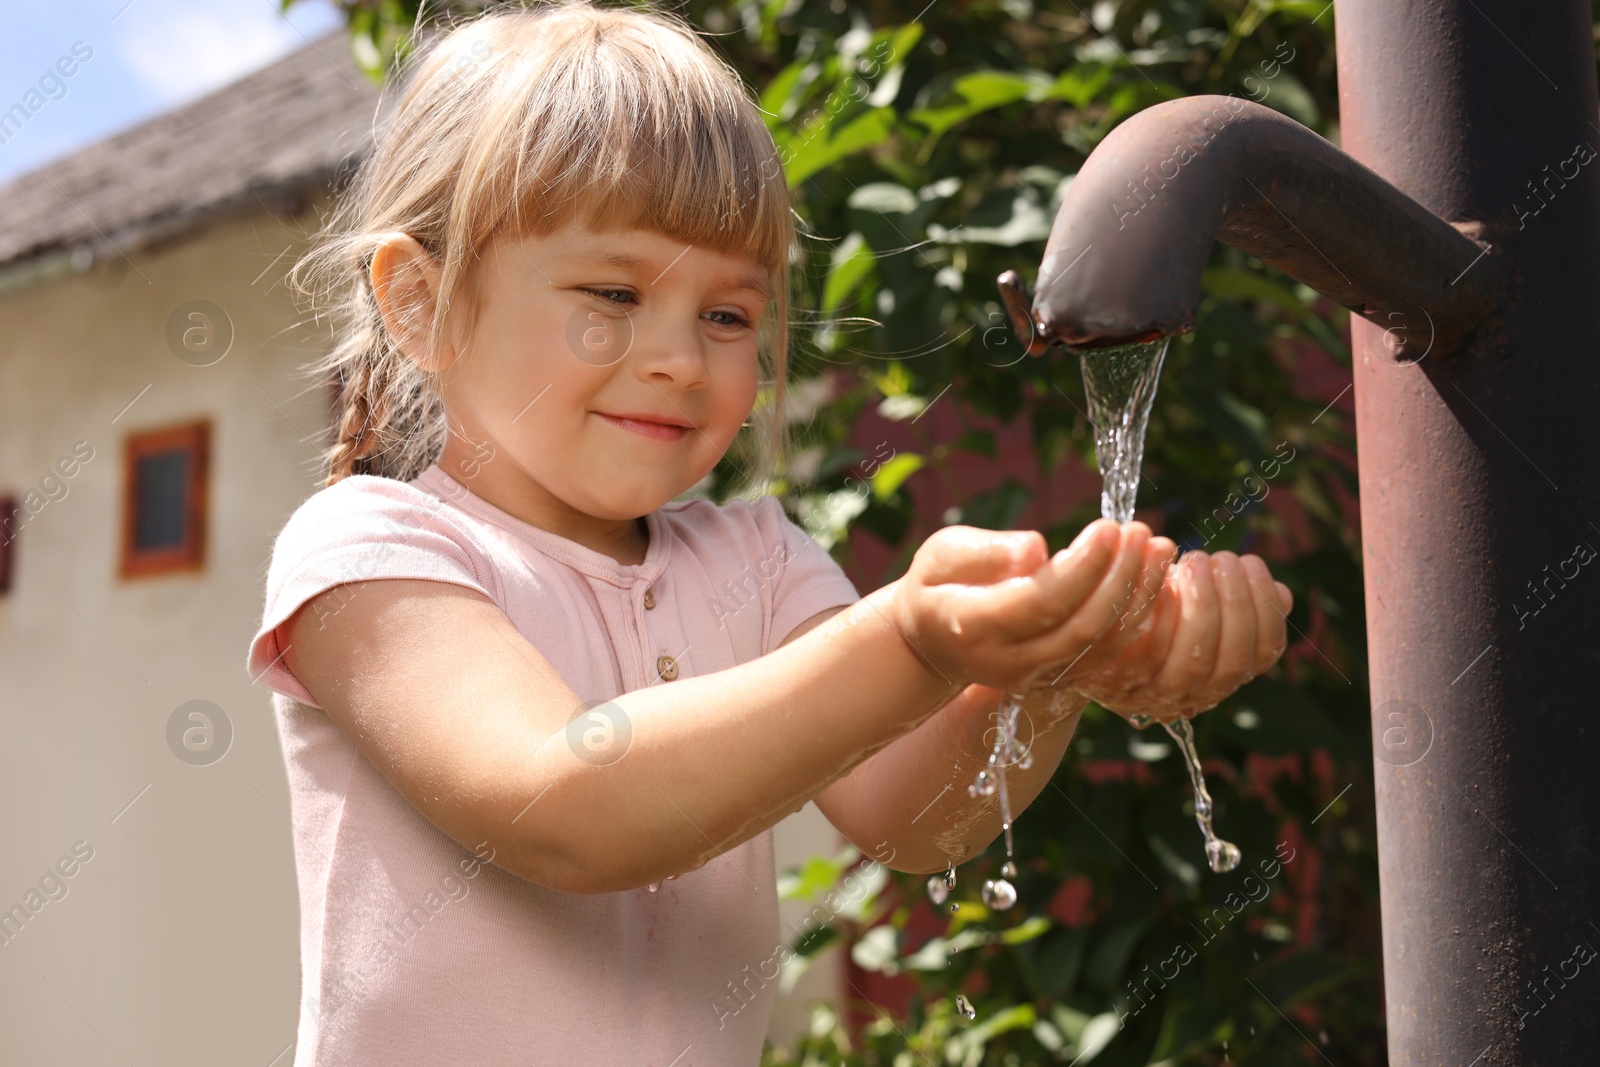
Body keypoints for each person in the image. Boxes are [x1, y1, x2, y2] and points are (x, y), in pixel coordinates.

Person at [244, 2, 1294, 1063]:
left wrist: (1044, 664)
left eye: (728, 315)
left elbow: (913, 816)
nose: (679, 358)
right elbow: (562, 802)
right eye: (612, 293)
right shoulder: (372, 551)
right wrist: (913, 642)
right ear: (422, 303)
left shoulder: (755, 557)